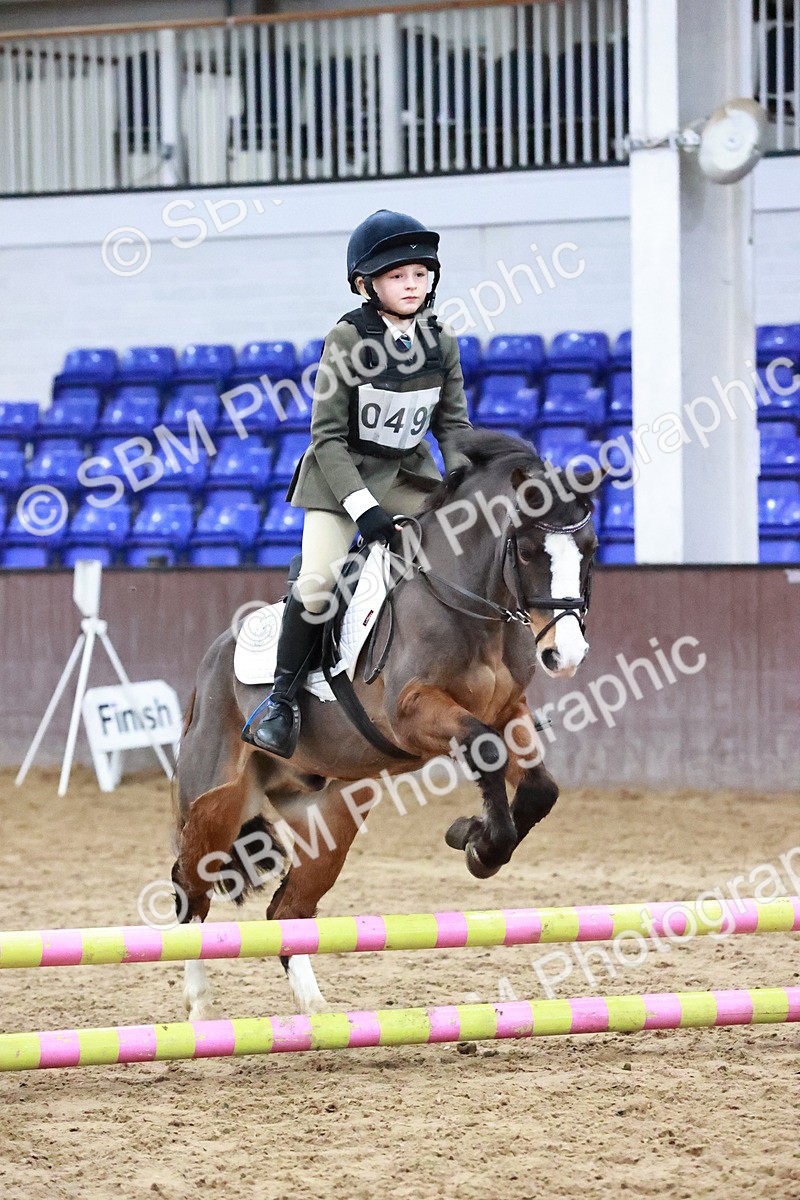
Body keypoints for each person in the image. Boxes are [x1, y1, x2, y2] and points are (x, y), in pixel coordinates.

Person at [241, 209, 473, 758]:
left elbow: (453, 426)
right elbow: (325, 437)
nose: (412, 284)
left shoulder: (441, 341)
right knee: (319, 583)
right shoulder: (346, 339)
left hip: (407, 474)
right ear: (366, 285)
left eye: (420, 274)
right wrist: (363, 509)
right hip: (338, 478)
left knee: (461, 548)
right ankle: (280, 701)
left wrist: (467, 480)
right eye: (397, 276)